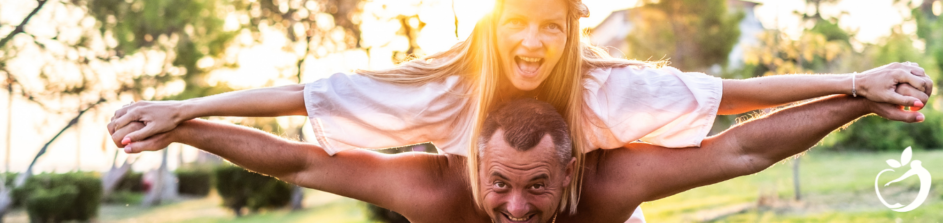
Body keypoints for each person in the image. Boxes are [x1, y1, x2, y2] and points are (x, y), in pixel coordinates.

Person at [107, 0, 934, 215]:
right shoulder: (447, 90)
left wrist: (857, 86)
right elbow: (304, 117)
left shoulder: (608, 96)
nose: (532, 42)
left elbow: (736, 117)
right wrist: (183, 110)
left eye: (550, 25)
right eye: (517, 24)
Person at [110, 84, 928, 222]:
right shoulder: (434, 192)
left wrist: (857, 96)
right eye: (500, 181)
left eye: (537, 187)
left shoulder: (612, 184)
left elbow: (744, 147)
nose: (514, 205)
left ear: (572, 168)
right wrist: (183, 125)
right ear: (474, 163)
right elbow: (295, 159)